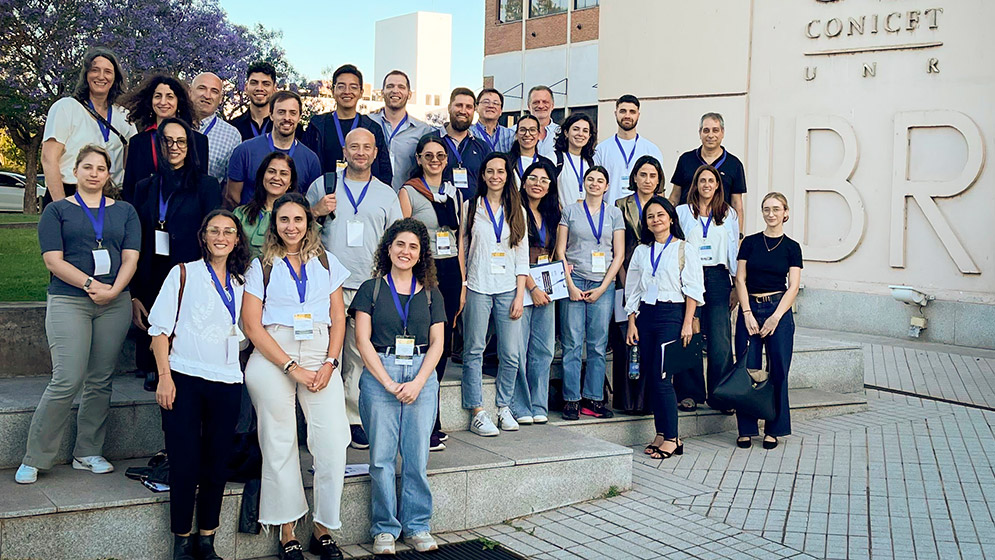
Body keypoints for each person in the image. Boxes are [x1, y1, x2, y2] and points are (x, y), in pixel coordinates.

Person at [16, 145, 140, 484]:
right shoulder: (56, 211)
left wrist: (114, 291)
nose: (94, 173)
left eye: (101, 168)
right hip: (70, 299)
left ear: (108, 174)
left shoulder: (125, 211)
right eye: (87, 167)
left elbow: (130, 257)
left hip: (114, 303)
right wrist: (89, 283)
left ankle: (87, 451)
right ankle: (36, 457)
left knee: (100, 380)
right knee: (67, 378)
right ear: (75, 171)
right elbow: (52, 260)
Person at [241, 193, 349, 560]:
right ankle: (286, 528)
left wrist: (331, 363)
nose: (291, 226)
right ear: (275, 225)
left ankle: (323, 526)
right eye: (284, 220)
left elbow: (339, 318)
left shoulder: (327, 262)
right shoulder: (261, 266)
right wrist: (291, 367)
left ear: (308, 223)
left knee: (334, 441)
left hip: (321, 354)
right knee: (279, 440)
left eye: (298, 219)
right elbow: (252, 325)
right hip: (274, 355)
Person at [147, 210, 249, 560]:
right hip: (184, 377)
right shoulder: (183, 273)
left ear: (237, 239)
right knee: (184, 461)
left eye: (229, 231)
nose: (221, 236)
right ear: (203, 236)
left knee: (216, 462)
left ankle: (207, 539)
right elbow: (159, 331)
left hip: (228, 381)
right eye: (215, 230)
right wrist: (164, 377)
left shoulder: (243, 283)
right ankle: (181, 540)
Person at [352, 219, 446, 555]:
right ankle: (385, 529)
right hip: (381, 372)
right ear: (388, 248)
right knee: (380, 458)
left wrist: (419, 381)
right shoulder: (371, 289)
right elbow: (362, 341)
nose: (406, 252)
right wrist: (390, 382)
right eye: (400, 245)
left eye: (413, 247)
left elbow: (438, 343)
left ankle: (418, 525)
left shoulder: (432, 293)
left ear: (421, 255)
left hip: (422, 371)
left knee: (417, 456)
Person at [307, 127, 403, 450]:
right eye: (354, 147)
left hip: (369, 284)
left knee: (359, 353)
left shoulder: (387, 194)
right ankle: (320, 417)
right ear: (344, 152)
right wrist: (316, 212)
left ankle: (352, 417)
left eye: (367, 147)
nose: (360, 152)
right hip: (328, 284)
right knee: (324, 351)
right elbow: (299, 229)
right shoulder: (324, 185)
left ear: (376, 153)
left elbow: (397, 239)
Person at [130, 118, 223, 388]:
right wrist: (133, 292)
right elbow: (136, 240)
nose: (174, 146)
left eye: (180, 141)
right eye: (167, 141)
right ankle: (153, 367)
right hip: (151, 269)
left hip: (189, 267)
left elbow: (212, 232)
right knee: (154, 314)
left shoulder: (206, 186)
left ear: (189, 145)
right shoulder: (144, 187)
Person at [624, 196, 703, 460]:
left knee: (662, 378)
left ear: (670, 218)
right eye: (650, 216)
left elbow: (693, 289)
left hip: (672, 313)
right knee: (651, 377)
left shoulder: (684, 249)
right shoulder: (641, 251)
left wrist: (687, 323)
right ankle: (661, 433)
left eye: (660, 214)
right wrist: (632, 322)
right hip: (646, 314)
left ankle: (673, 438)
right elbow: (632, 289)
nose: (656, 220)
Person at [398, 136, 464, 451]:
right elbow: (402, 239)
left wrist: (463, 283)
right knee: (425, 345)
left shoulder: (455, 194)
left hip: (451, 274)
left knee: (444, 347)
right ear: (420, 158)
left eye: (440, 155)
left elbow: (459, 240)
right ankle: (422, 422)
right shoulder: (409, 191)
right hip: (424, 274)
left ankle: (433, 419)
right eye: (429, 155)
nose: (435, 159)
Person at [460, 153, 528, 436]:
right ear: (483, 175)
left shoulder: (517, 210)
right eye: (490, 171)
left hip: (508, 288)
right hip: (478, 285)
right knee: (474, 350)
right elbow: (463, 247)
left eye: (501, 171)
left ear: (507, 175)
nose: (496, 176)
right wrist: (463, 283)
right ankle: (477, 410)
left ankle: (504, 406)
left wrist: (520, 293)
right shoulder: (470, 206)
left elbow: (522, 254)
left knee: (511, 353)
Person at [733, 192, 802, 450]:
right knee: (747, 369)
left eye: (776, 209)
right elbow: (740, 279)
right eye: (766, 209)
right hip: (750, 308)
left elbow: (793, 286)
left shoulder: (792, 248)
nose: (771, 214)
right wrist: (747, 312)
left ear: (786, 213)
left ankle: (774, 428)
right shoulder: (750, 243)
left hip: (778, 311)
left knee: (779, 370)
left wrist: (775, 317)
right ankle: (746, 429)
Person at [555, 166, 625, 420]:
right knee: (572, 343)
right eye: (590, 179)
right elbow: (560, 251)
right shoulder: (571, 211)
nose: (595, 184)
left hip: (602, 284)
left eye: (600, 181)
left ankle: (594, 398)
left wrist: (604, 287)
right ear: (584, 183)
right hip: (574, 280)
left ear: (607, 186)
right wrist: (569, 285)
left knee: (597, 344)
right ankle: (571, 399)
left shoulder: (615, 214)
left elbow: (619, 255)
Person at [677, 165, 740, 412]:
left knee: (720, 339)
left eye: (711, 181)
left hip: (717, 276)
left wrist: (736, 283)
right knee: (689, 333)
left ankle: (721, 394)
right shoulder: (683, 212)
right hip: (690, 276)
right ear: (696, 184)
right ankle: (689, 392)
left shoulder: (728, 214)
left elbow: (733, 249)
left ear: (717, 186)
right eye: (702, 180)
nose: (706, 185)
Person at [41, 47, 136, 204]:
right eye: (95, 70)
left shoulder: (124, 116)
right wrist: (61, 205)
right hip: (70, 193)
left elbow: (131, 162)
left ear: (115, 78)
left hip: (110, 197)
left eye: (107, 71)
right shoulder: (66, 107)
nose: (101, 76)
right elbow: (48, 159)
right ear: (86, 75)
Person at [612, 155, 666, 414]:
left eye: (653, 175)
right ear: (634, 177)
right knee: (627, 338)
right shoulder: (620, 205)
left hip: (656, 281)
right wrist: (625, 283)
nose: (647, 180)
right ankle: (627, 400)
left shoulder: (664, 206)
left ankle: (646, 401)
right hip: (625, 275)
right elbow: (617, 248)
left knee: (650, 338)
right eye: (643, 174)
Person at [511, 161, 561, 424]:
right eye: (533, 178)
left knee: (543, 348)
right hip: (522, 281)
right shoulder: (515, 211)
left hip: (547, 281)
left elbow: (556, 250)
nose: (538, 184)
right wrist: (532, 287)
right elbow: (514, 254)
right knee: (519, 348)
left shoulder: (552, 213)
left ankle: (538, 404)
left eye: (544, 180)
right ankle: (520, 405)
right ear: (524, 181)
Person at [120, 74, 209, 203]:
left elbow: (201, 186)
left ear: (179, 101)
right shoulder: (138, 142)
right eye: (157, 96)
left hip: (185, 216)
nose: (163, 102)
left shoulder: (198, 141)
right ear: (150, 101)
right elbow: (129, 189)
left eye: (170, 97)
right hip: (145, 217)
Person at [226, 90, 321, 207]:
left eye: (293, 113)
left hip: (289, 224)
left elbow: (310, 201)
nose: (287, 118)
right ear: (271, 115)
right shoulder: (245, 151)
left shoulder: (310, 159)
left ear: (299, 117)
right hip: (250, 222)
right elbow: (232, 196)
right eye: (281, 112)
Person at [303, 64, 393, 186]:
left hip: (363, 196)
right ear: (333, 91)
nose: (347, 92)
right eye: (341, 86)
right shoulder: (317, 125)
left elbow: (384, 171)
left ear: (361, 92)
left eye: (353, 87)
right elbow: (305, 164)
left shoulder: (372, 128)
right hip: (325, 194)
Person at [669, 112, 747, 238]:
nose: (710, 135)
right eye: (706, 130)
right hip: (688, 226)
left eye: (715, 130)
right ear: (700, 133)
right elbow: (675, 196)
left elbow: (737, 203)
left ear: (722, 132)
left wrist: (739, 235)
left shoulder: (734, 164)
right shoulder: (686, 160)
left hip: (719, 227)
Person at [369, 70, 432, 192]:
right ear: (382, 93)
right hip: (370, 197)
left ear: (409, 94)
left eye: (401, 87)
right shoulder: (367, 123)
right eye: (390, 86)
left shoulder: (423, 130)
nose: (395, 90)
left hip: (406, 199)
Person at [593, 95, 664, 202]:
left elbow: (659, 189)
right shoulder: (601, 149)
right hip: (609, 212)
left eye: (632, 112)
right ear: (615, 113)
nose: (627, 115)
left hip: (643, 214)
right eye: (622, 111)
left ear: (638, 115)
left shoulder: (652, 149)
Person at [426, 88, 492, 197]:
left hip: (472, 211)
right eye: (459, 105)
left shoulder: (482, 147)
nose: (463, 111)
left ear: (474, 111)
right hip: (437, 209)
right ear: (449, 108)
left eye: (468, 107)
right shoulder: (430, 141)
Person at [234, 152, 297, 260]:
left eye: (283, 174)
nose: (276, 178)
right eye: (271, 172)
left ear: (290, 182)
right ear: (262, 175)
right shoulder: (241, 214)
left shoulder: (299, 217)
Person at [191, 72, 243, 185]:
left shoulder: (231, 135)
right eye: (202, 88)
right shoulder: (173, 126)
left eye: (214, 91)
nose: (207, 95)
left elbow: (229, 184)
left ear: (220, 99)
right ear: (190, 92)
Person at [552, 113, 597, 209]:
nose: (580, 134)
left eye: (585, 131)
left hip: (587, 219)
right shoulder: (554, 159)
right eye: (576, 129)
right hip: (561, 220)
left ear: (589, 136)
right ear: (566, 132)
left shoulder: (591, 162)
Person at [229, 61, 278, 141]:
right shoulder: (233, 127)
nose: (259, 88)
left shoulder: (286, 127)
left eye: (266, 84)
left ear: (274, 89)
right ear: (246, 87)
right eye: (254, 83)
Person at [508, 114, 555, 183]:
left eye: (532, 130)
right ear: (516, 134)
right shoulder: (506, 161)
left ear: (539, 134)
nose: (527, 134)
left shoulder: (547, 164)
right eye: (522, 130)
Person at [516, 85, 559, 159]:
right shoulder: (513, 132)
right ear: (529, 106)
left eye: (545, 102)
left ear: (552, 105)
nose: (541, 106)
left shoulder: (560, 133)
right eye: (536, 102)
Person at [473, 88, 515, 153]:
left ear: (501, 111)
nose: (491, 106)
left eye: (495, 103)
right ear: (476, 107)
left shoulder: (511, 135)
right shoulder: (468, 133)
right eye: (486, 102)